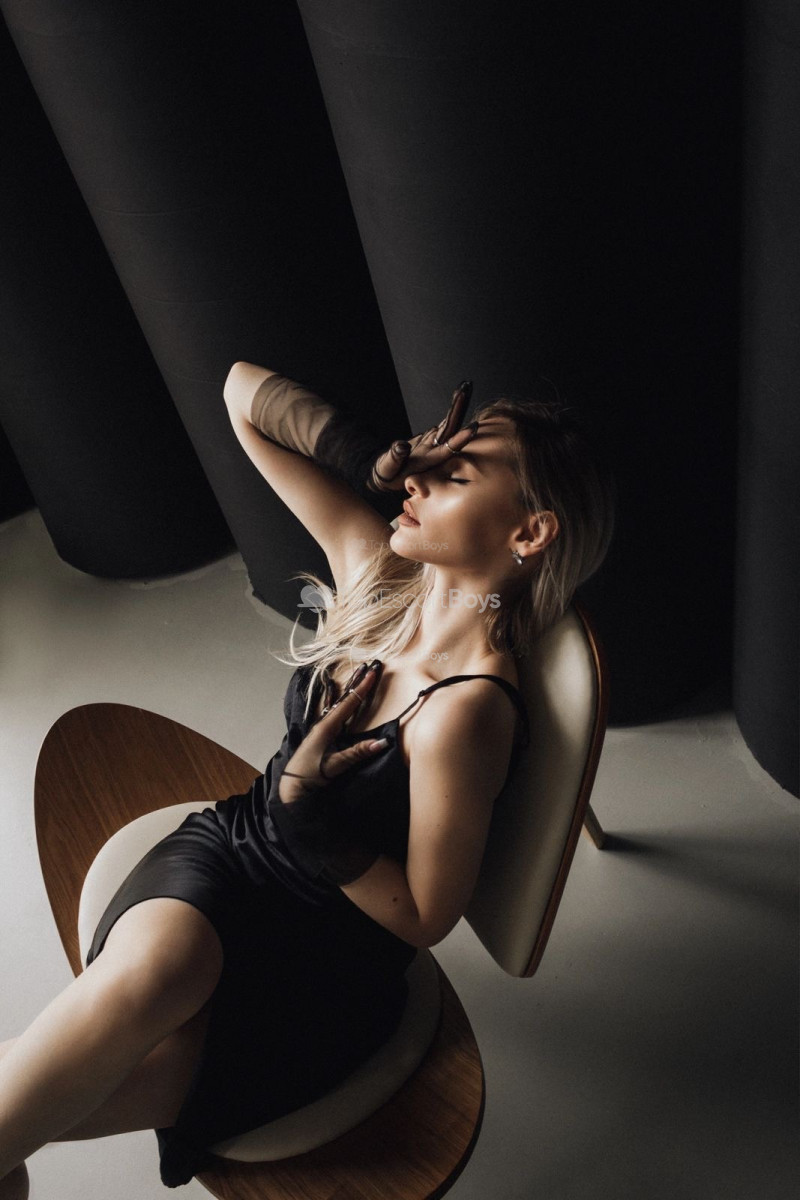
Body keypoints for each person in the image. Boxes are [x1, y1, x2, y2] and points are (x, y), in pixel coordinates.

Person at [0, 364, 615, 1197]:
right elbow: (239, 397)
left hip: (325, 965)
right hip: (229, 858)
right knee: (161, 970)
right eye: (428, 462)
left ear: (530, 533)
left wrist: (311, 823)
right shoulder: (375, 573)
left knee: (53, 1096)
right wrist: (365, 456)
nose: (418, 480)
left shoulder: (465, 712)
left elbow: (427, 916)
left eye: (455, 475)